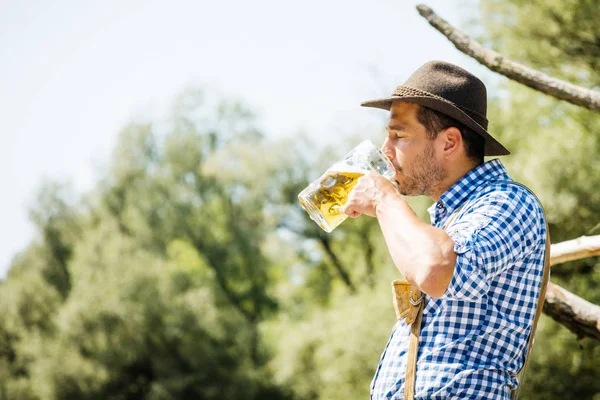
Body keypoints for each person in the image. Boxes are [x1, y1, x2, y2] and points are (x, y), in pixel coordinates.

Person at [342, 61, 547, 399]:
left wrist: (382, 197)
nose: (385, 151)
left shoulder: (509, 201)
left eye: (398, 135)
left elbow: (436, 270)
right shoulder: (448, 222)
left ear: (450, 143)